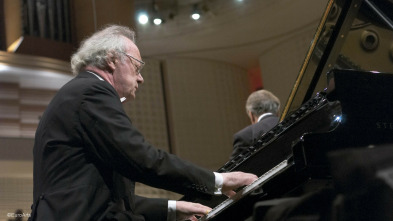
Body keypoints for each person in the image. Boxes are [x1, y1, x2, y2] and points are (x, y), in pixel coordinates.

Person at [28, 24, 257, 221]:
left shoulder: (78, 93)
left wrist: (172, 208)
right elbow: (142, 159)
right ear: (111, 59)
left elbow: (103, 194)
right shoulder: (92, 91)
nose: (141, 78)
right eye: (137, 67)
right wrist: (217, 181)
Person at [230, 89, 280, 159]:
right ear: (277, 111)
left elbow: (234, 169)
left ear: (251, 115)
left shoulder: (244, 136)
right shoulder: (291, 121)